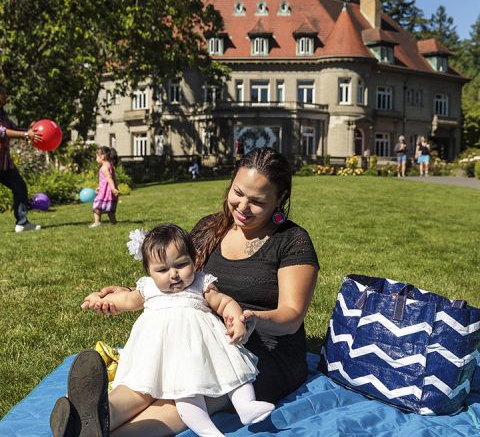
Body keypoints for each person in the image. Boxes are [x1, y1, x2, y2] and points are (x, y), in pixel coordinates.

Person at [53, 147, 319, 436]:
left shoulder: (292, 241)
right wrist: (131, 291)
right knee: (147, 380)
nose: (242, 206)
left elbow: (291, 317)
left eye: (256, 201)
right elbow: (180, 279)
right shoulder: (210, 228)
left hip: (261, 353)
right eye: (238, 192)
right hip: (197, 340)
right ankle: (88, 419)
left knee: (183, 394)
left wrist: (252, 318)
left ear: (279, 199)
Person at [55, 224, 274, 437]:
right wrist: (99, 299)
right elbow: (125, 300)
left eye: (181, 264)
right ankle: (85, 419)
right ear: (149, 272)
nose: (173, 274)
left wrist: (235, 319)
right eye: (162, 269)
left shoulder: (201, 283)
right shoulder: (148, 288)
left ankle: (84, 424)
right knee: (140, 389)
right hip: (154, 356)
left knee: (189, 393)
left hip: (192, 358)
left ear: (194, 260)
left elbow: (224, 302)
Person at [0, 85, 43, 232]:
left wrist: (30, 132)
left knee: (19, 187)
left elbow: (15, 129)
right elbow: (2, 132)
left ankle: (22, 223)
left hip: (4, 163)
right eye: (3, 93)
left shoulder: (3, 114)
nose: (6, 96)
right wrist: (26, 135)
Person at [91, 146, 119, 227]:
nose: (96, 159)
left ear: (102, 157)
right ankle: (113, 222)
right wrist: (100, 187)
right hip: (107, 191)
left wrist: (113, 188)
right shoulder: (109, 165)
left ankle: (97, 222)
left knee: (97, 207)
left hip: (105, 193)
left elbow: (109, 178)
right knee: (110, 209)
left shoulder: (104, 167)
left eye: (97, 157)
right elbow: (106, 180)